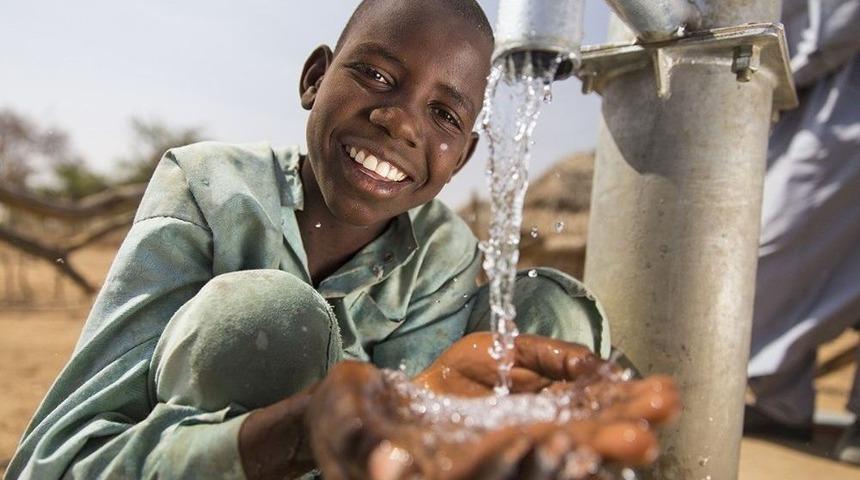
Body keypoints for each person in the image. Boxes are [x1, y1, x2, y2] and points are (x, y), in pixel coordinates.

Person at [5, 1, 679, 479]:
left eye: (443, 113)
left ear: (463, 158)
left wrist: (423, 401)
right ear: (314, 78)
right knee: (269, 321)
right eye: (378, 76)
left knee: (545, 310)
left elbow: (410, 422)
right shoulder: (212, 191)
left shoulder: (442, 257)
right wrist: (299, 431)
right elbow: (53, 466)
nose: (399, 122)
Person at [744, 0, 860, 465]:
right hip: (818, 94)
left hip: (836, 96)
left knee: (769, 243)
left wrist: (772, 66)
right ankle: (781, 403)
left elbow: (833, 25)